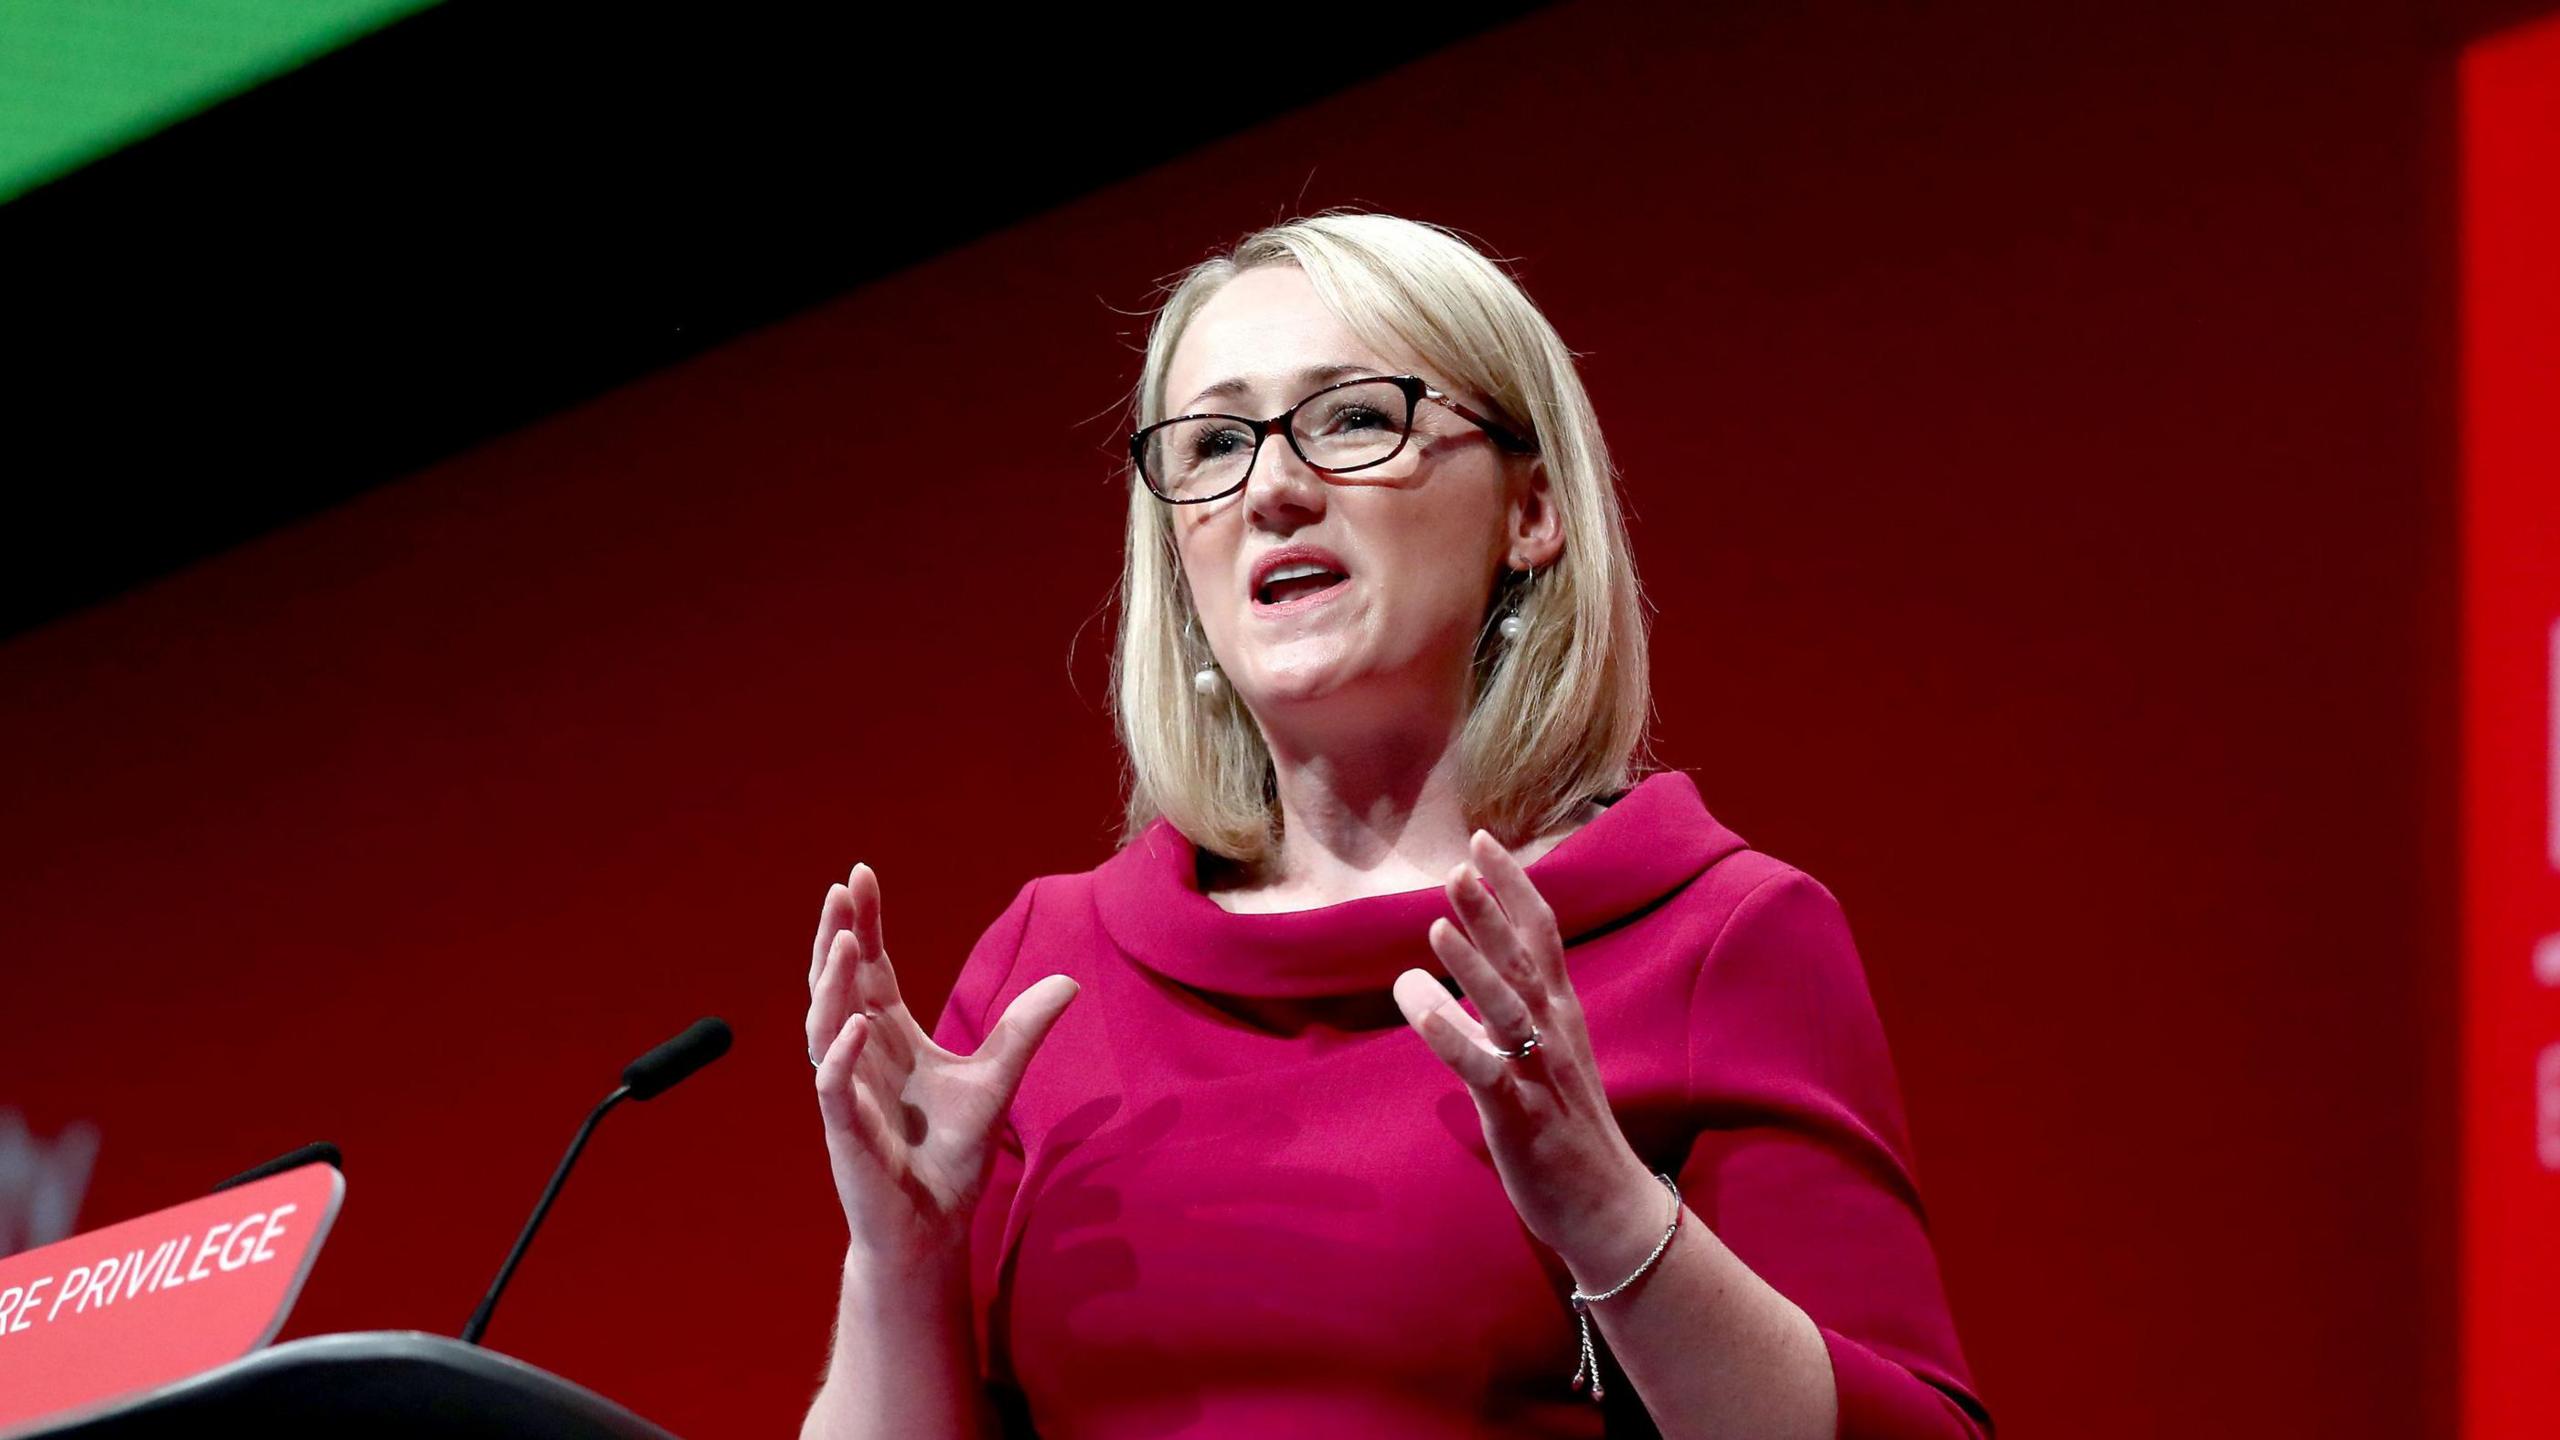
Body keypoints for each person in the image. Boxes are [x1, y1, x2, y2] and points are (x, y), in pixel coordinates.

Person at [798, 213, 1992, 1439]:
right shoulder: (1045, 965)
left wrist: (1610, 1214)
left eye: (1355, 417)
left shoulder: (1716, 934)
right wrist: (899, 1264)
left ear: (1531, 511)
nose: (1270, 488)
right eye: (1211, 444)